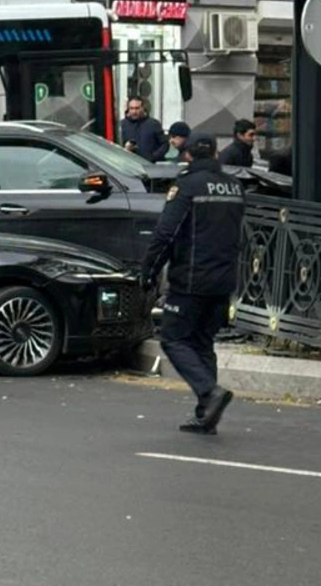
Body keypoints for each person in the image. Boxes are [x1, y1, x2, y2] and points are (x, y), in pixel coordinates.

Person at [141, 132, 244, 434]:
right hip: (224, 279)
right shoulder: (235, 187)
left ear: (187, 155)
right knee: (202, 342)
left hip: (190, 279)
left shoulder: (186, 186)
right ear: (214, 153)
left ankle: (209, 394)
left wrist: (149, 272)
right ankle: (206, 414)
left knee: (173, 338)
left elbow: (165, 234)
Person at [120, 97, 169, 162]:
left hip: (150, 165)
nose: (134, 111)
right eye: (131, 108)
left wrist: (153, 157)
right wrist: (125, 149)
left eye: (137, 108)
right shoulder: (123, 125)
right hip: (130, 164)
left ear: (143, 108)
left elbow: (165, 144)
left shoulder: (153, 124)